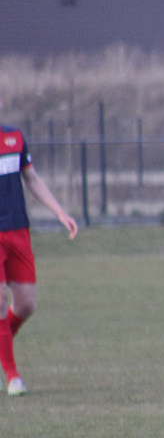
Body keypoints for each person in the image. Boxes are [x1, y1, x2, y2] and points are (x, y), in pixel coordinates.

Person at [0, 106, 79, 396]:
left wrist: (60, 212)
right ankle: (12, 376)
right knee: (0, 300)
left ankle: (2, 347)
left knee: (26, 305)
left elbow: (32, 178)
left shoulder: (14, 138)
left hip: (18, 230)